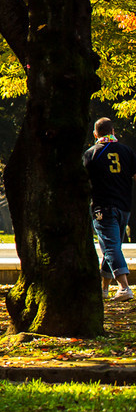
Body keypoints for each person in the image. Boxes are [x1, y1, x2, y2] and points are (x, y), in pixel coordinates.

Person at [84, 117, 136, 301]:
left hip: (102, 207)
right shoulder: (127, 151)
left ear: (95, 134)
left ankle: (124, 287)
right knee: (112, 246)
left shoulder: (91, 153)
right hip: (124, 207)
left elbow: (82, 181)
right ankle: (103, 289)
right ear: (113, 131)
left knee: (111, 246)